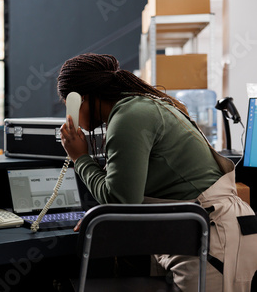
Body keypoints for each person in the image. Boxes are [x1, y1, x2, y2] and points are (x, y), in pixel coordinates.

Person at [57, 53, 257, 292]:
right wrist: (99, 218)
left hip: (214, 237)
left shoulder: (128, 117)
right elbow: (128, 192)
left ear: (78, 99)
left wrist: (79, 157)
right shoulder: (136, 108)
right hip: (194, 232)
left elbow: (120, 200)